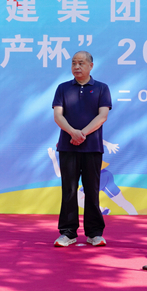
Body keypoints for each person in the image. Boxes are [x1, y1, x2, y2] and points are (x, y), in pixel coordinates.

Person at [52, 51, 112, 248]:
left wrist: (82, 134)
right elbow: (58, 115)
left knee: (92, 190)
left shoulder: (102, 88)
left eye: (81, 63)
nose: (76, 67)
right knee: (69, 190)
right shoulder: (63, 88)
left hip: (92, 148)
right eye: (73, 63)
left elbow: (102, 116)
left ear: (91, 66)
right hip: (67, 147)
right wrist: (72, 132)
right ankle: (67, 233)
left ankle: (94, 233)